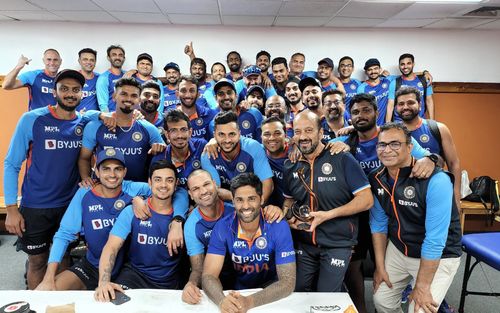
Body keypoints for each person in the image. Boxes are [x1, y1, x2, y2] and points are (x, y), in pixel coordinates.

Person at [329, 92, 438, 313]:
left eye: (366, 110)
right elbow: (315, 150)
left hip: (392, 213)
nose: (360, 115)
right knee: (353, 266)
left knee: (392, 267)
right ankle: (359, 308)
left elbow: (428, 156)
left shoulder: (392, 137)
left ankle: (406, 297)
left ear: (377, 113)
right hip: (358, 214)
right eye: (356, 112)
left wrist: (431, 159)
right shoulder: (343, 141)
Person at [3, 69, 102, 289]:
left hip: (69, 205)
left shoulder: (83, 122)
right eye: (64, 88)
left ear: (82, 94)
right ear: (54, 92)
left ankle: (59, 307)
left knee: (63, 259)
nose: (70, 94)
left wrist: (102, 115)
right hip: (36, 206)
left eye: (75, 90)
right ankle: (38, 304)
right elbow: (11, 164)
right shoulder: (32, 119)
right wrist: (11, 209)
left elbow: (94, 116)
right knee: (37, 261)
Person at [369, 123, 462, 313]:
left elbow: (435, 240)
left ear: (410, 147)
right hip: (400, 248)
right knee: (381, 301)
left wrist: (422, 286)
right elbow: (378, 224)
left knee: (419, 310)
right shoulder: (377, 177)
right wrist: (379, 267)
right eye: (382, 145)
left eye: (395, 144)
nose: (387, 150)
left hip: (440, 254)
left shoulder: (437, 180)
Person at [283, 110, 373, 292]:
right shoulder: (290, 164)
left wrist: (328, 215)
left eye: (308, 130)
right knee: (297, 291)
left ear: (321, 133)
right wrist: (289, 217)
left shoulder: (342, 158)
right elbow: (288, 202)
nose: (303, 137)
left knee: (327, 296)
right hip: (305, 244)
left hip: (337, 243)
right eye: (298, 132)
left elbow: (366, 200)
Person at [36, 149, 150, 291]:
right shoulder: (85, 193)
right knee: (51, 291)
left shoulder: (136, 189)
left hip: (127, 270)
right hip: (92, 266)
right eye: (106, 169)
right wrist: (48, 278)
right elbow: (64, 234)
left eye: (118, 169)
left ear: (125, 172)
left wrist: (139, 199)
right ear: (97, 172)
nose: (112, 175)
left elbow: (174, 191)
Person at [202, 173, 296, 313]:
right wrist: (222, 301)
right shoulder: (222, 227)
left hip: (273, 295)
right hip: (238, 294)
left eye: (251, 199)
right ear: (232, 201)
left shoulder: (278, 225)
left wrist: (249, 302)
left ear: (262, 199)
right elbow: (208, 276)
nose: (245, 206)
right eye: (239, 200)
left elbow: (287, 282)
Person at [94, 161, 184, 301]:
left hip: (169, 282)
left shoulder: (183, 217)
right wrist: (103, 282)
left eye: (169, 180)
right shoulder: (131, 212)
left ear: (176, 183)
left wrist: (178, 222)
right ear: (149, 182)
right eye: (158, 180)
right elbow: (111, 247)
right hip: (135, 276)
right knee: (111, 303)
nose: (163, 185)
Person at [79, 77, 166, 183]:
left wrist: (161, 148)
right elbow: (84, 158)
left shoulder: (149, 128)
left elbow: (163, 156)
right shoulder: (95, 126)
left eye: (134, 96)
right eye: (124, 94)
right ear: (114, 96)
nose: (129, 99)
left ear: (139, 100)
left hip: (137, 192)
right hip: (104, 190)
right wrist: (86, 178)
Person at [395, 87, 462, 211]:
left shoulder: (438, 128)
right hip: (402, 198)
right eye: (401, 104)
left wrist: (456, 196)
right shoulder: (392, 132)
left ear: (420, 105)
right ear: (396, 108)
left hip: (433, 193)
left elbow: (454, 164)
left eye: (410, 102)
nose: (405, 107)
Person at [182, 169, 236, 304]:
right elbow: (198, 268)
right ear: (191, 194)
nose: (203, 191)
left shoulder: (235, 209)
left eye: (206, 184)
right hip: (216, 281)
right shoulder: (191, 225)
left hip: (248, 276)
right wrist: (191, 284)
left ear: (215, 184)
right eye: (196, 188)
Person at [202, 111, 273, 204]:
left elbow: (268, 185)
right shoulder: (207, 155)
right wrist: (240, 201)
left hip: (256, 204)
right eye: (221, 134)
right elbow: (215, 191)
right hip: (227, 206)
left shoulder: (253, 147)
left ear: (239, 134)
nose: (227, 140)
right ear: (214, 135)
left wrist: (256, 207)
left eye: (232, 134)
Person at [152, 110, 207, 189]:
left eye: (183, 130)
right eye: (173, 131)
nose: (179, 136)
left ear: (190, 132)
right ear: (167, 135)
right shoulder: (158, 159)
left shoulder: (202, 146)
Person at [388, 53, 434, 122]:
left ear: (413, 64)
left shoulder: (425, 80)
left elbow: (429, 101)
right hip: (399, 123)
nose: (405, 67)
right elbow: (390, 105)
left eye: (408, 63)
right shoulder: (394, 82)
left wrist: (432, 123)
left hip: (419, 122)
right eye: (402, 64)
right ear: (399, 66)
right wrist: (387, 125)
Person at [176, 75, 216, 141]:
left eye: (192, 91)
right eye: (183, 91)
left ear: (198, 95)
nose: (188, 95)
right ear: (177, 94)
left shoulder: (210, 114)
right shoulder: (170, 117)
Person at [261, 117, 289, 207]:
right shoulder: (258, 153)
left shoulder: (295, 155)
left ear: (285, 135)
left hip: (290, 210)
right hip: (266, 210)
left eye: (277, 133)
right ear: (261, 136)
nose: (272, 138)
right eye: (267, 134)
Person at [357, 58, 393, 125]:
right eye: (370, 70)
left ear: (380, 69)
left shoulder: (388, 81)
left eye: (376, 68)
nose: (373, 71)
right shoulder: (362, 88)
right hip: (371, 126)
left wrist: (388, 74)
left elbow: (402, 77)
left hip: (387, 125)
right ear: (366, 72)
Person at [96, 45, 125, 112]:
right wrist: (108, 119)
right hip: (112, 117)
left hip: (128, 117)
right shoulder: (103, 78)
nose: (117, 57)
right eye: (114, 55)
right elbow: (103, 105)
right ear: (108, 58)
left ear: (124, 58)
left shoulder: (127, 75)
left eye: (120, 55)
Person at [337, 56, 362, 121]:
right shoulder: (333, 84)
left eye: (349, 65)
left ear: (353, 69)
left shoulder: (358, 83)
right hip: (338, 121)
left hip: (355, 121)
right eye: (342, 66)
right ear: (338, 69)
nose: (345, 68)